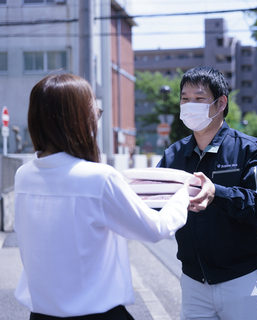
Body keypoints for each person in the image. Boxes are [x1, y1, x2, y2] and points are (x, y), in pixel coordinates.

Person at [14, 74, 195, 319]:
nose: (96, 120)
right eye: (95, 112)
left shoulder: (24, 175)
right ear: (78, 120)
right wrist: (184, 193)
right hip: (98, 314)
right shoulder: (100, 179)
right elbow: (156, 228)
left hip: (41, 313)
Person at [157, 66, 257, 320]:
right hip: (193, 283)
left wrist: (217, 193)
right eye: (185, 99)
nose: (190, 105)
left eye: (199, 99)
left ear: (221, 103)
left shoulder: (250, 149)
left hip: (243, 279)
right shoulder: (173, 155)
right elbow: (156, 202)